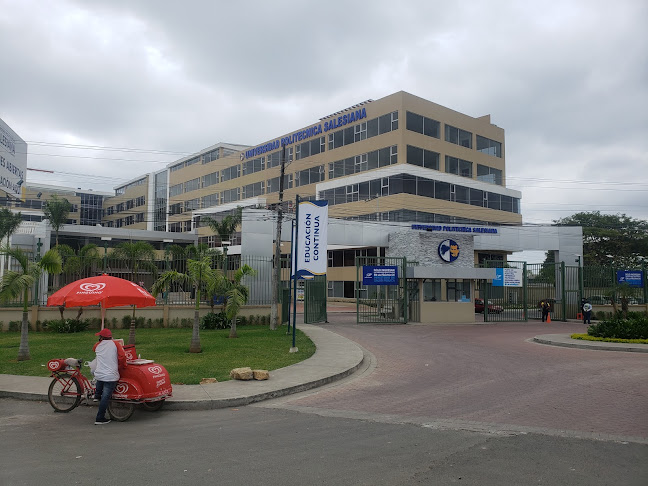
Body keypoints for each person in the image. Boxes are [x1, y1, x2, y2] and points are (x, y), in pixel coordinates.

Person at [92, 328, 127, 425]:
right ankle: (100, 418)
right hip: (111, 376)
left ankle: (97, 396)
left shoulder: (97, 345)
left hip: (99, 374)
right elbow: (122, 356)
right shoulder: (116, 344)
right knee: (106, 397)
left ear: (101, 337)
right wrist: (123, 365)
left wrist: (100, 342)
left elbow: (94, 349)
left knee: (100, 379)